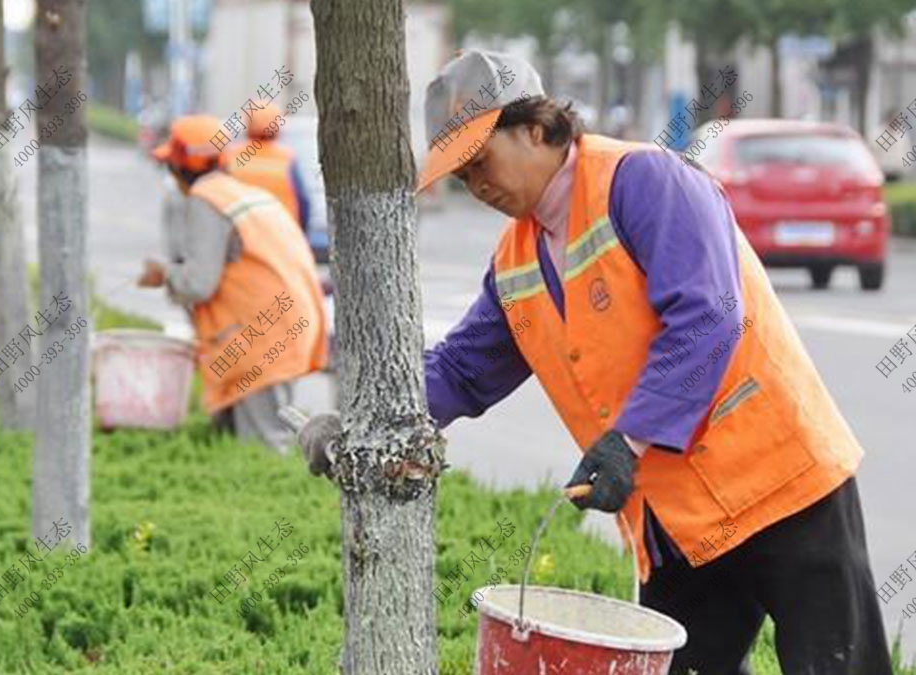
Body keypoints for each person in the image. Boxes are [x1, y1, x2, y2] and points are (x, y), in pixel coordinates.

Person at [298, 50, 890, 674]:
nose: (477, 186)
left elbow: (709, 316)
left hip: (779, 484)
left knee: (839, 664)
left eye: (481, 161)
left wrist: (626, 443)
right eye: (462, 177)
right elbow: (460, 371)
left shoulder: (642, 180)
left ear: (536, 126)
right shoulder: (516, 260)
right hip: (676, 524)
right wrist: (359, 424)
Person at [139, 115, 328, 453]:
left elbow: (199, 283)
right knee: (240, 440)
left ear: (182, 167)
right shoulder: (240, 192)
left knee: (266, 447)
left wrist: (163, 274)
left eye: (171, 165)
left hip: (259, 336)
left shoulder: (205, 198)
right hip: (282, 325)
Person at [220, 104, 311, 236]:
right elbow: (303, 201)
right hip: (282, 234)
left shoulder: (231, 156)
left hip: (241, 234)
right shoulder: (286, 158)